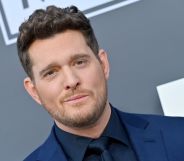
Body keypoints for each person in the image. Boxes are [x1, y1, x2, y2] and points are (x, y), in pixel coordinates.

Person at [17, 5, 184, 161]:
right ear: (34, 91)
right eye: (51, 72)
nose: (71, 81)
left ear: (103, 64)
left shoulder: (178, 136)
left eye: (79, 62)